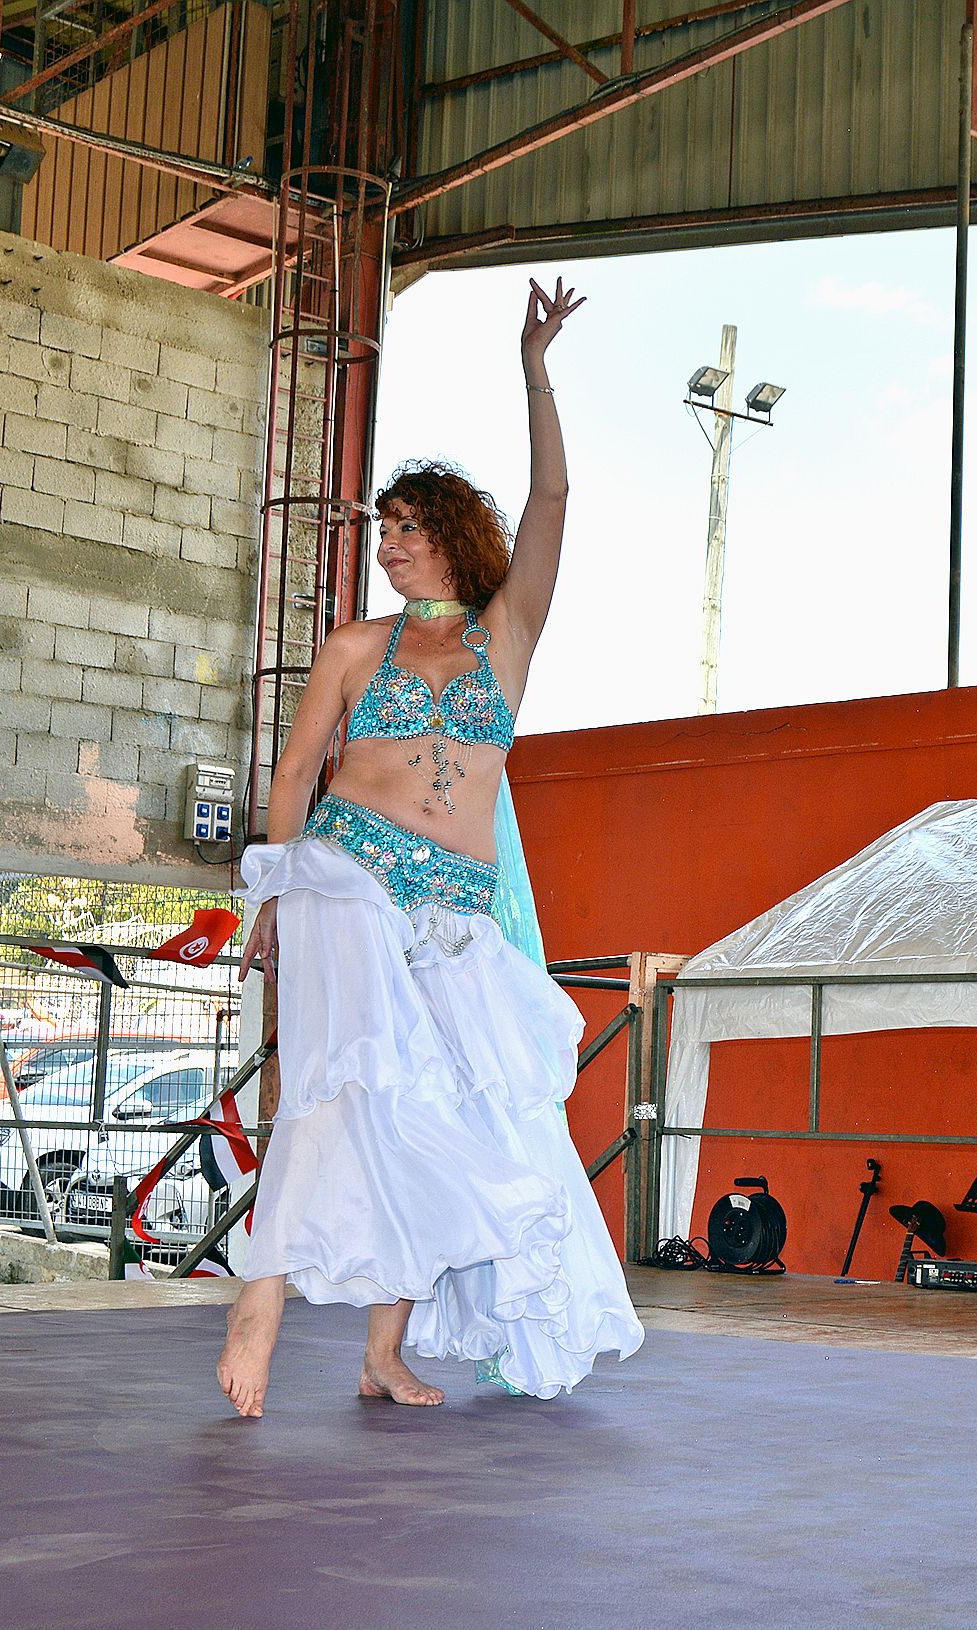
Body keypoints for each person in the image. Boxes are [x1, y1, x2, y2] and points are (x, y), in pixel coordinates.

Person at [215, 279, 643, 1417]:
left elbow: (554, 493)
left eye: (406, 529)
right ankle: (258, 1300)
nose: (389, 546)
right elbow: (296, 772)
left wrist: (535, 370)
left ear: (451, 536)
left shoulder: (507, 640)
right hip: (348, 880)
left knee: (437, 1114)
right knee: (336, 1087)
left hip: (454, 907)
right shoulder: (356, 646)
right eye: (382, 531)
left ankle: (381, 1351)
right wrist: (272, 896)